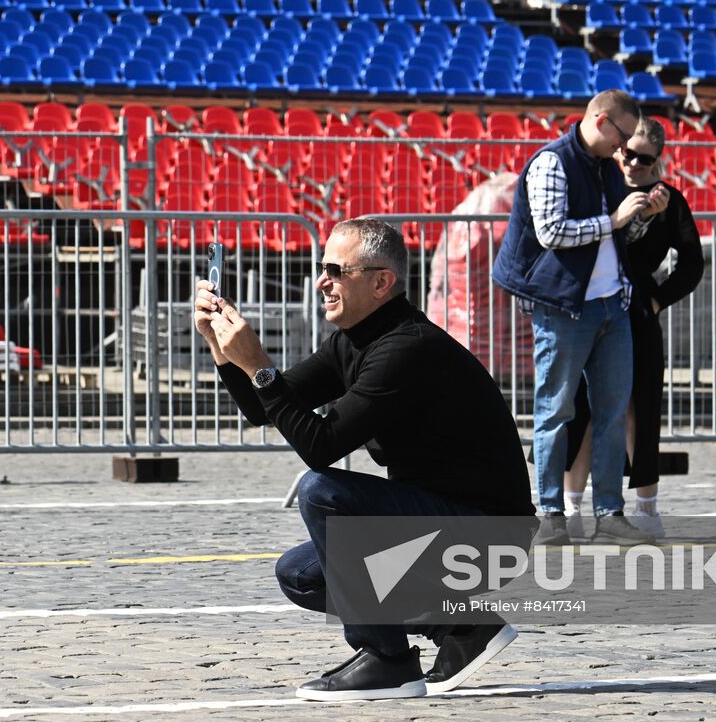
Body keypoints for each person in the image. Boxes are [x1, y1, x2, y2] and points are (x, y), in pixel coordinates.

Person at [194, 218, 535, 702]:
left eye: (336, 270)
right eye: (321, 267)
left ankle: (388, 660)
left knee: (323, 492)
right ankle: (463, 627)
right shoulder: (353, 340)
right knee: (302, 574)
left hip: (488, 535)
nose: (321, 281)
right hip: (443, 521)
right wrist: (223, 348)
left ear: (381, 282)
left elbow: (320, 446)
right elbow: (262, 406)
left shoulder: (407, 348)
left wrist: (259, 366)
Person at [490, 89, 666, 546]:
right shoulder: (552, 162)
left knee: (609, 414)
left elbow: (618, 235)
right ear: (603, 121)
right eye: (623, 139)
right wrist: (615, 218)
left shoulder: (605, 167)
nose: (625, 151)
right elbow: (553, 232)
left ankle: (609, 513)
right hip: (564, 307)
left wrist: (642, 216)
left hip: (612, 305)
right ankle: (550, 514)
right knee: (555, 411)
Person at [562, 117, 704, 538]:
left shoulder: (669, 200)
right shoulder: (596, 188)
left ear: (658, 159)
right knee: (582, 406)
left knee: (638, 409)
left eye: (646, 158)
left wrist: (659, 299)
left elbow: (692, 262)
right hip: (591, 303)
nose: (635, 163)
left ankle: (647, 507)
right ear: (618, 147)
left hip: (638, 309)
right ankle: (571, 509)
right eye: (629, 153)